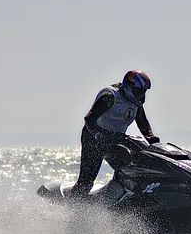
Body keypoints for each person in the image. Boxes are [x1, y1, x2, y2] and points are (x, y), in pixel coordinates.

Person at [68, 70, 160, 198]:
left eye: (143, 92)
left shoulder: (136, 102)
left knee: (131, 173)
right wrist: (98, 134)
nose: (141, 95)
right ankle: (70, 209)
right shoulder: (110, 97)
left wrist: (151, 138)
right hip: (93, 138)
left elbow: (143, 123)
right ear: (129, 86)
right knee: (86, 182)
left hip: (115, 140)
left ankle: (119, 201)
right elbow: (89, 119)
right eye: (139, 92)